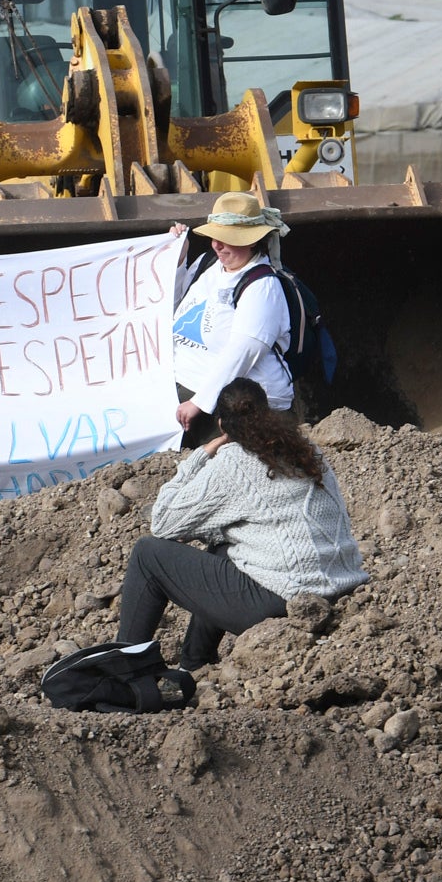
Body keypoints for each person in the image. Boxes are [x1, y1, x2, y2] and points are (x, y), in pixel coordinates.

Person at [118, 378, 368, 670]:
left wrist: (201, 455)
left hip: (282, 599)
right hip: (338, 585)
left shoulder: (234, 462)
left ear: (222, 425)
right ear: (268, 412)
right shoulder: (306, 449)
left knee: (148, 553)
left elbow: (162, 522)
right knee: (222, 547)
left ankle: (124, 670)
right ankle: (195, 664)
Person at [170, 192, 294, 447]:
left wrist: (200, 402)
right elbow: (172, 308)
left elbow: (244, 351)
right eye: (216, 237)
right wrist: (178, 259)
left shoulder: (262, 285)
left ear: (253, 241)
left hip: (237, 407)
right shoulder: (208, 264)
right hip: (191, 392)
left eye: (229, 239)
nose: (218, 245)